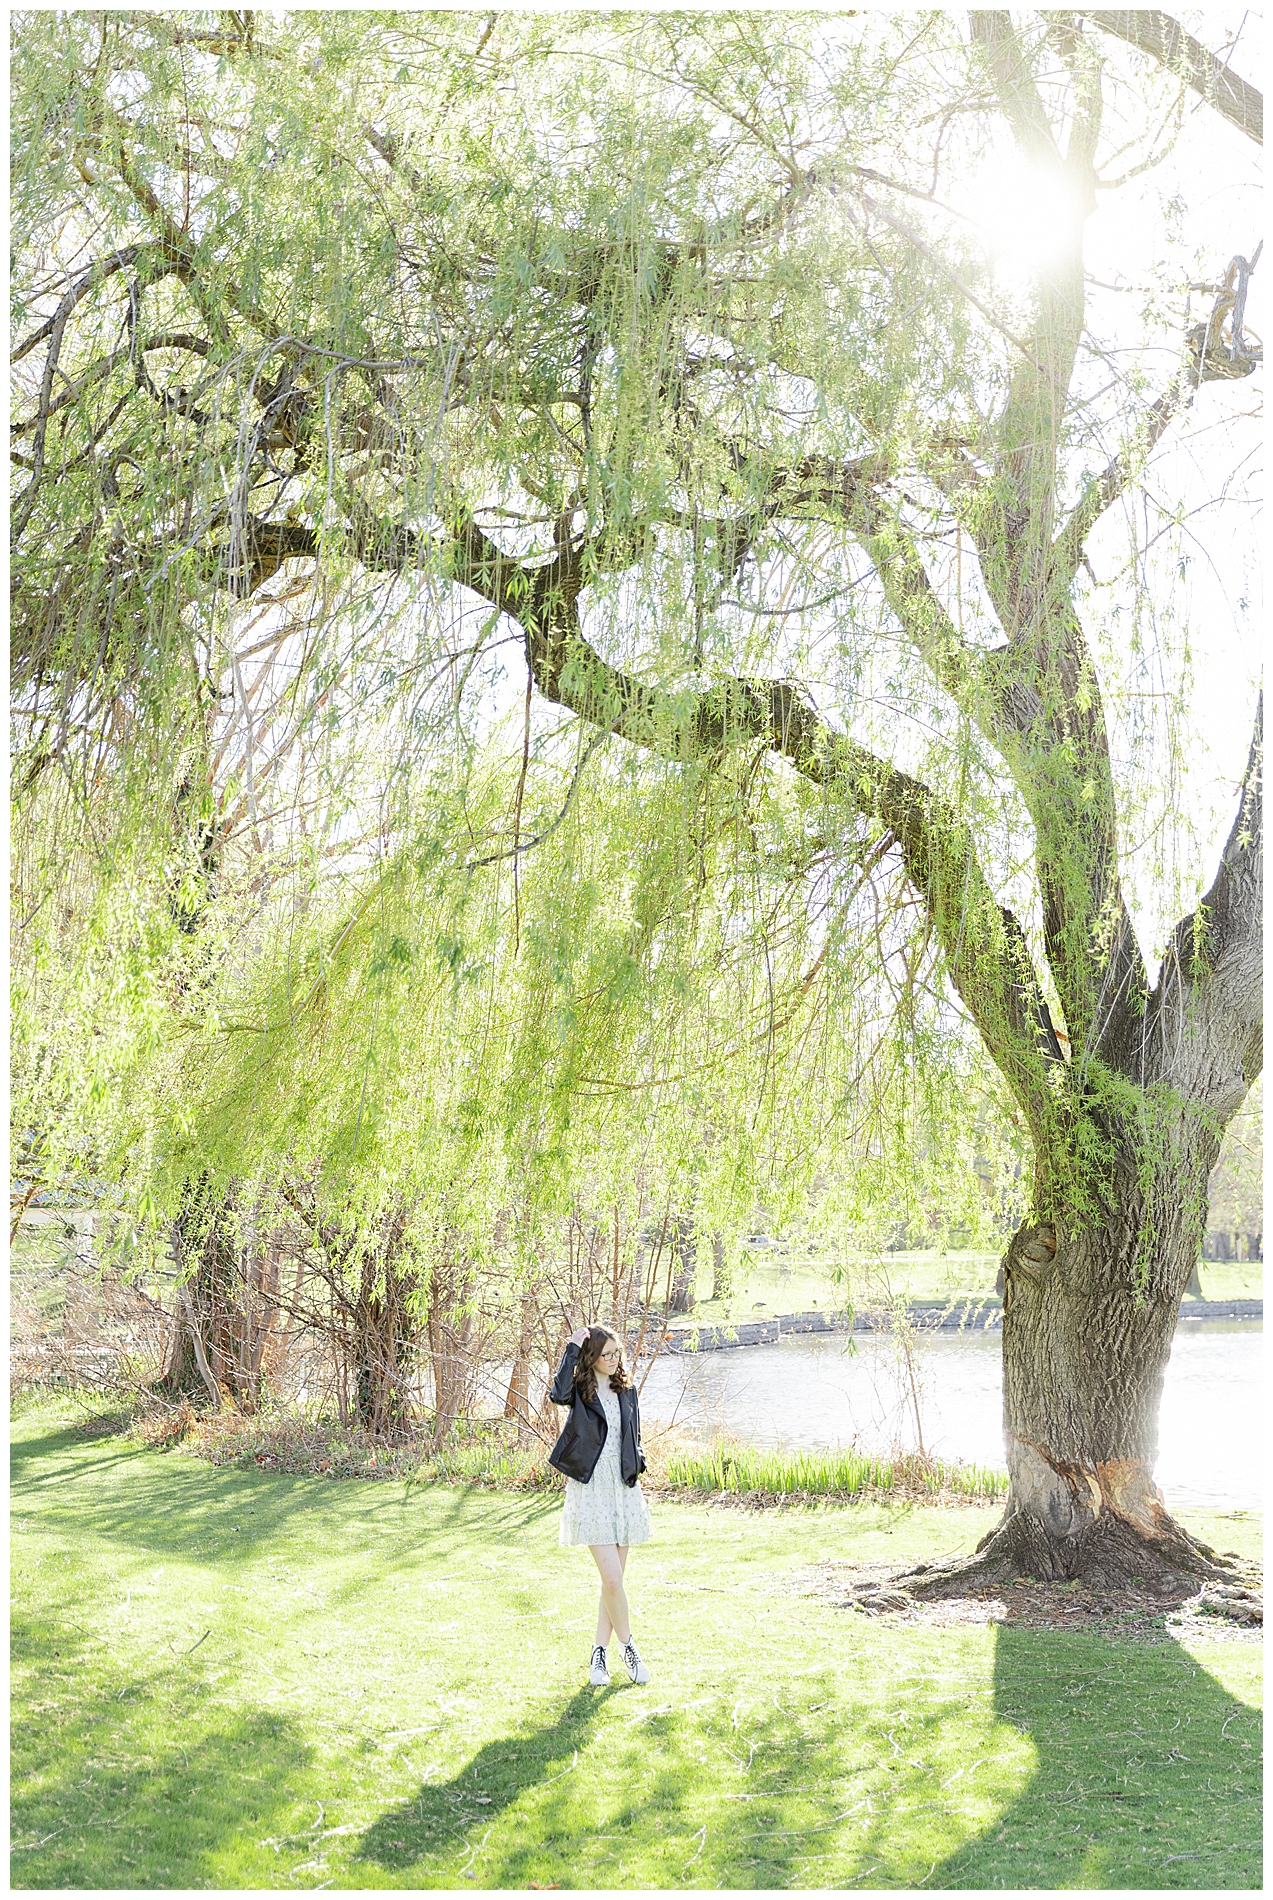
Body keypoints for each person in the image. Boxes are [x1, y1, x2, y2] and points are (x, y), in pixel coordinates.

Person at [548, 1323, 652, 1686]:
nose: (612, 1360)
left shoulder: (627, 1390)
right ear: (592, 1356)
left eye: (616, 1353)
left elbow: (633, 1435)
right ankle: (629, 1647)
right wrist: (571, 1348)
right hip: (591, 1488)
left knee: (614, 1584)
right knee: (611, 1578)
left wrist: (637, 1465)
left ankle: (599, 1657)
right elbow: (556, 1395)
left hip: (622, 1489)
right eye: (605, 1354)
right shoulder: (579, 1389)